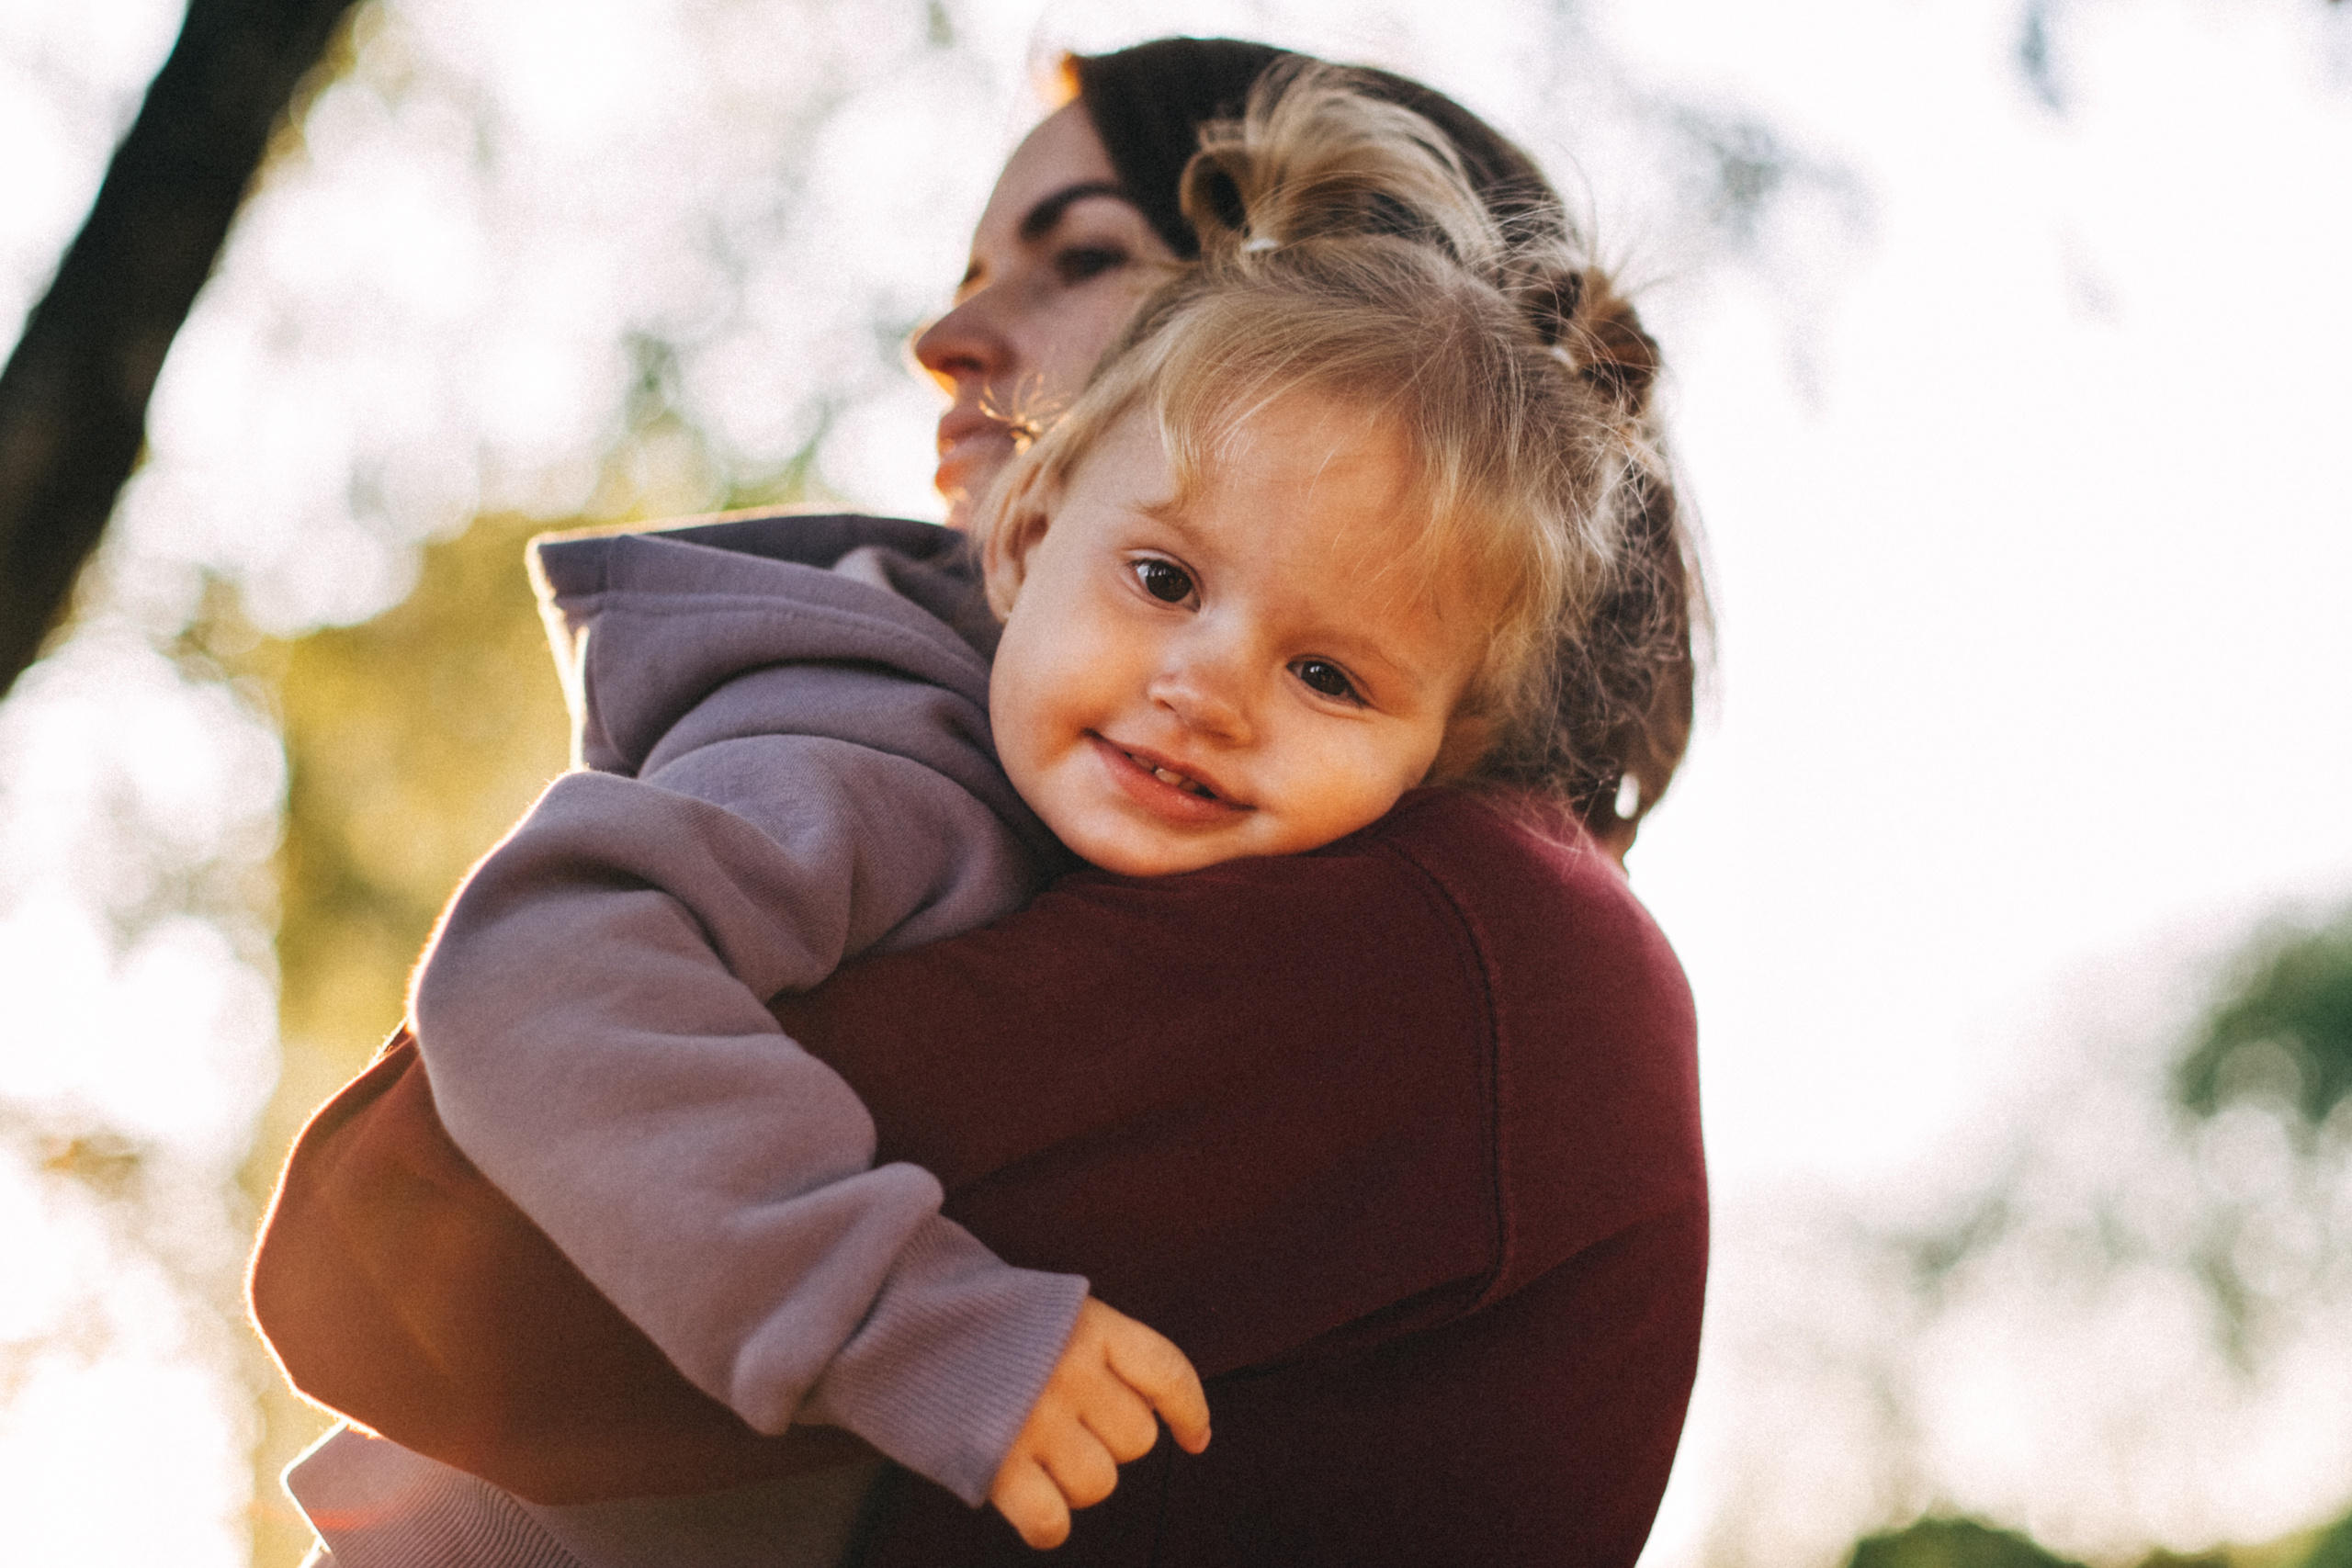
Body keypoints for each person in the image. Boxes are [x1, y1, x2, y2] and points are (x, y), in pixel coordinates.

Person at [251, 39, 1707, 1568]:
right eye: (1165, 580)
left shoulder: (1450, 944)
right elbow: (426, 1196)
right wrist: (905, 1311)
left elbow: (404, 1257)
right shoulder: (878, 738)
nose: (945, 337)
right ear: (1029, 533)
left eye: (1076, 253)